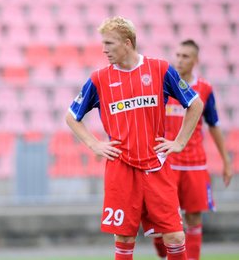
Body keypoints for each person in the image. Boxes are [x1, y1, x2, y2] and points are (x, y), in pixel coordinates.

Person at [65, 16, 204, 260]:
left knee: (175, 236)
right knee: (125, 238)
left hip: (156, 165)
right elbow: (71, 116)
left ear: (127, 43)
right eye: (103, 43)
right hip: (121, 168)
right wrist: (94, 144)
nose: (104, 49)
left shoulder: (160, 69)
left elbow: (194, 103)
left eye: (109, 43)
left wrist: (180, 141)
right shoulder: (100, 79)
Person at [151, 39, 233, 260]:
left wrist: (226, 161)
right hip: (165, 163)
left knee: (194, 218)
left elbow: (213, 125)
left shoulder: (204, 89)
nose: (179, 60)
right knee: (161, 222)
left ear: (195, 60)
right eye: (177, 55)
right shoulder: (162, 85)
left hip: (195, 163)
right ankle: (162, 248)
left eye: (185, 56)